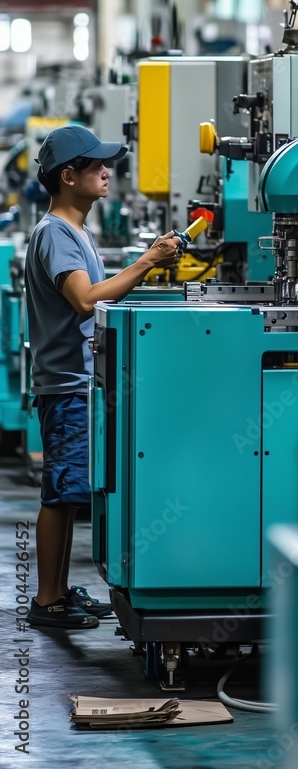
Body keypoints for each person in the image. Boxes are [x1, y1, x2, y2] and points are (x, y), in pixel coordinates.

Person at [25, 125, 180, 629]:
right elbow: (87, 299)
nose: (106, 172)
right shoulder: (55, 234)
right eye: (95, 167)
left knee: (72, 494)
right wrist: (149, 261)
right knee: (61, 492)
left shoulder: (75, 231)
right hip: (66, 386)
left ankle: (60, 588)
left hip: (77, 382)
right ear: (68, 177)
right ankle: (46, 600)